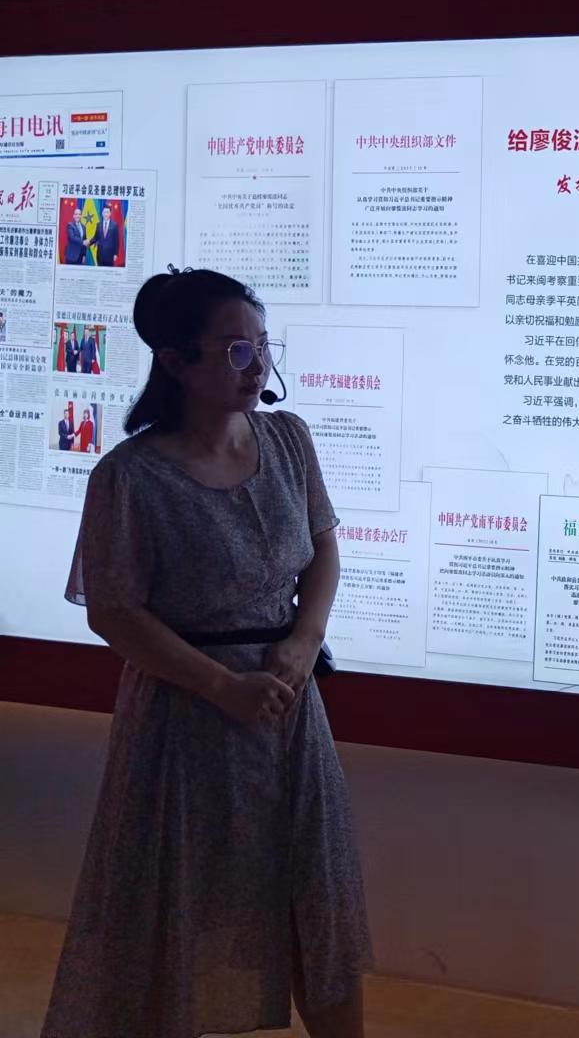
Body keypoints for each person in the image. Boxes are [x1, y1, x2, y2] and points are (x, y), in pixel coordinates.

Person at [45, 267, 370, 1038]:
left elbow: (324, 547)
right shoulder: (129, 476)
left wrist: (303, 642)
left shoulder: (287, 439)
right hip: (184, 722)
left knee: (314, 902)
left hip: (289, 712)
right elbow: (115, 613)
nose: (257, 366)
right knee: (178, 912)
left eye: (262, 346)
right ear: (176, 362)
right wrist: (223, 686)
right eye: (235, 351)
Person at [94, 199, 123, 267]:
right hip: (100, 255)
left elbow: (116, 241)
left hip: (110, 255)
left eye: (107, 212)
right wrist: (89, 242)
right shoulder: (98, 224)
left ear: (110, 213)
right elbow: (95, 238)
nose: (106, 214)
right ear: (102, 213)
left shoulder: (114, 225)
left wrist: (115, 254)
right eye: (104, 212)